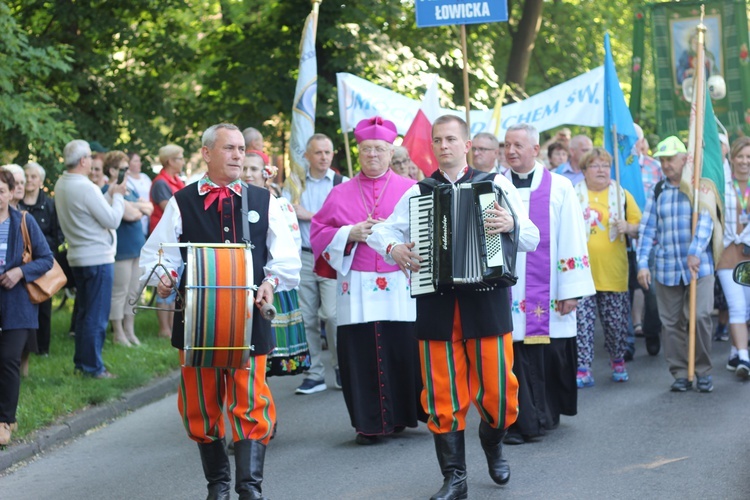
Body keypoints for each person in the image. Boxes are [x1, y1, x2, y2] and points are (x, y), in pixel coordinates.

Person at [368, 115, 539, 498]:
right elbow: (383, 230)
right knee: (442, 396)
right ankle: (455, 478)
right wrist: (394, 248)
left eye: (451, 139)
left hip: (487, 301)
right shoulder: (419, 192)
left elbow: (531, 236)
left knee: (498, 393)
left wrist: (511, 223)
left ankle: (493, 443)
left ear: (466, 146)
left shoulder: (494, 184)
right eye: (437, 140)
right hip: (437, 303)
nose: (444, 146)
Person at [140, 123, 300, 499]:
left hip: (249, 322)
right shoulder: (182, 200)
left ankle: (250, 490)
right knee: (199, 405)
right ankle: (218, 488)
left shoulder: (264, 200)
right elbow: (158, 256)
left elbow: (286, 259)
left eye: (241, 149)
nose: (237, 155)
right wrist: (164, 278)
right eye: (229, 148)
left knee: (251, 401)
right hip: (198, 324)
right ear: (208, 153)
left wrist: (270, 284)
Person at [311, 117, 425, 445]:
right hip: (357, 281)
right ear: (357, 152)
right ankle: (369, 422)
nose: (372, 154)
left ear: (391, 152)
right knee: (361, 350)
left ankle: (402, 415)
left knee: (402, 347)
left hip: (401, 279)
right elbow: (319, 232)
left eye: (379, 149)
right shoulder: (340, 192)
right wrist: (350, 232)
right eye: (366, 149)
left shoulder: (411, 190)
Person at [500, 124, 594, 445]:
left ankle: (545, 413)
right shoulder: (494, 186)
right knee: (514, 354)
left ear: (535, 149)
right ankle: (521, 419)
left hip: (550, 287)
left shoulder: (560, 186)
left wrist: (572, 288)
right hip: (509, 288)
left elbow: (572, 236)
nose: (511, 151)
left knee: (547, 353)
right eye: (507, 145)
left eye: (518, 145)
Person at [637, 136, 715, 393]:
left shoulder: (699, 188)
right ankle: (681, 372)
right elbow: (647, 229)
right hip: (667, 267)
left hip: (698, 266)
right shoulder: (657, 190)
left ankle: (702, 371)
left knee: (700, 315)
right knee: (671, 323)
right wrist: (642, 264)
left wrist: (695, 251)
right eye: (662, 159)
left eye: (670, 159)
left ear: (684, 159)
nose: (665, 164)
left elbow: (707, 220)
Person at [55, 139, 127, 378]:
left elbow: (91, 213)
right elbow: (112, 220)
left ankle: (82, 363)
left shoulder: (63, 183)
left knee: (85, 313)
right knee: (96, 317)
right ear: (83, 160)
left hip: (78, 256)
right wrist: (117, 196)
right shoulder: (85, 187)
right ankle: (93, 368)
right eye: (91, 158)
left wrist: (110, 195)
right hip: (97, 258)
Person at [283, 133, 347, 395]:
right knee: (306, 317)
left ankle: (342, 367)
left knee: (332, 315)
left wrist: (310, 215)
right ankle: (314, 373)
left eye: (327, 152)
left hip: (332, 256)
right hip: (304, 256)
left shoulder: (341, 183)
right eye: (318, 153)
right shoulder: (295, 184)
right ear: (307, 156)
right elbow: (284, 215)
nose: (323, 157)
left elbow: (344, 220)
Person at [574, 148, 642, 387]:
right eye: (595, 165)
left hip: (614, 272)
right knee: (582, 324)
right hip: (580, 274)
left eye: (605, 165)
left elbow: (639, 226)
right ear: (583, 171)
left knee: (615, 325)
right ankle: (583, 368)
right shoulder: (573, 195)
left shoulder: (621, 195)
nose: (601, 170)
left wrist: (628, 227)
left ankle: (617, 360)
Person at [243, 150, 309, 377]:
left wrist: (278, 276)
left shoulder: (280, 205)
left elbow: (292, 244)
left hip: (274, 281)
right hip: (247, 281)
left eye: (253, 169)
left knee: (268, 349)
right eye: (244, 168)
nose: (248, 174)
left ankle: (259, 395)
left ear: (266, 174)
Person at [0, 169, 54, 445]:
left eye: (1, 191)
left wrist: (20, 272)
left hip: (17, 302)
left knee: (9, 358)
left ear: (11, 193)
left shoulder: (23, 220)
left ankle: (5, 420)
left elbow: (46, 258)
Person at [102, 151, 153, 347]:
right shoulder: (107, 190)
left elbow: (149, 208)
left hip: (137, 247)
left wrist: (133, 207)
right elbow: (131, 215)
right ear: (112, 170)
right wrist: (136, 208)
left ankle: (130, 330)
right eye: (123, 169)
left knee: (134, 291)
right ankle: (118, 333)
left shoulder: (127, 190)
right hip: (121, 249)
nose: (127, 173)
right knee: (119, 291)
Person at [19, 162, 64, 358]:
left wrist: (43, 248)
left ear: (41, 181)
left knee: (44, 304)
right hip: (19, 264)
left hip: (43, 262)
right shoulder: (16, 204)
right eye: (26, 176)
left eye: (33, 177)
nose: (29, 180)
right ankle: (23, 349)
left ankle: (42, 349)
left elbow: (59, 234)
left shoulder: (50, 205)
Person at [717, 137, 750, 378]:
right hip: (727, 254)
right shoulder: (723, 185)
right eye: (741, 156)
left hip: (748, 254)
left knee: (747, 309)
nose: (745, 161)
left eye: (749, 157)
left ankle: (734, 351)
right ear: (732, 158)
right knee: (737, 307)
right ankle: (744, 358)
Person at [149, 144, 186, 339]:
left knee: (175, 284)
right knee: (165, 283)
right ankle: (164, 329)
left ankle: (171, 326)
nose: (183, 161)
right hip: (163, 241)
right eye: (180, 158)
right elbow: (169, 210)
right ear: (170, 161)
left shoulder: (176, 180)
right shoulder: (161, 183)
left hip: (176, 240)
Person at [126, 152, 152, 238]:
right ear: (128, 164)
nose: (139, 163)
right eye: (136, 161)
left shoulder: (145, 177)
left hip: (149, 217)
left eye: (139, 161)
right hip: (138, 216)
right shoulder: (126, 180)